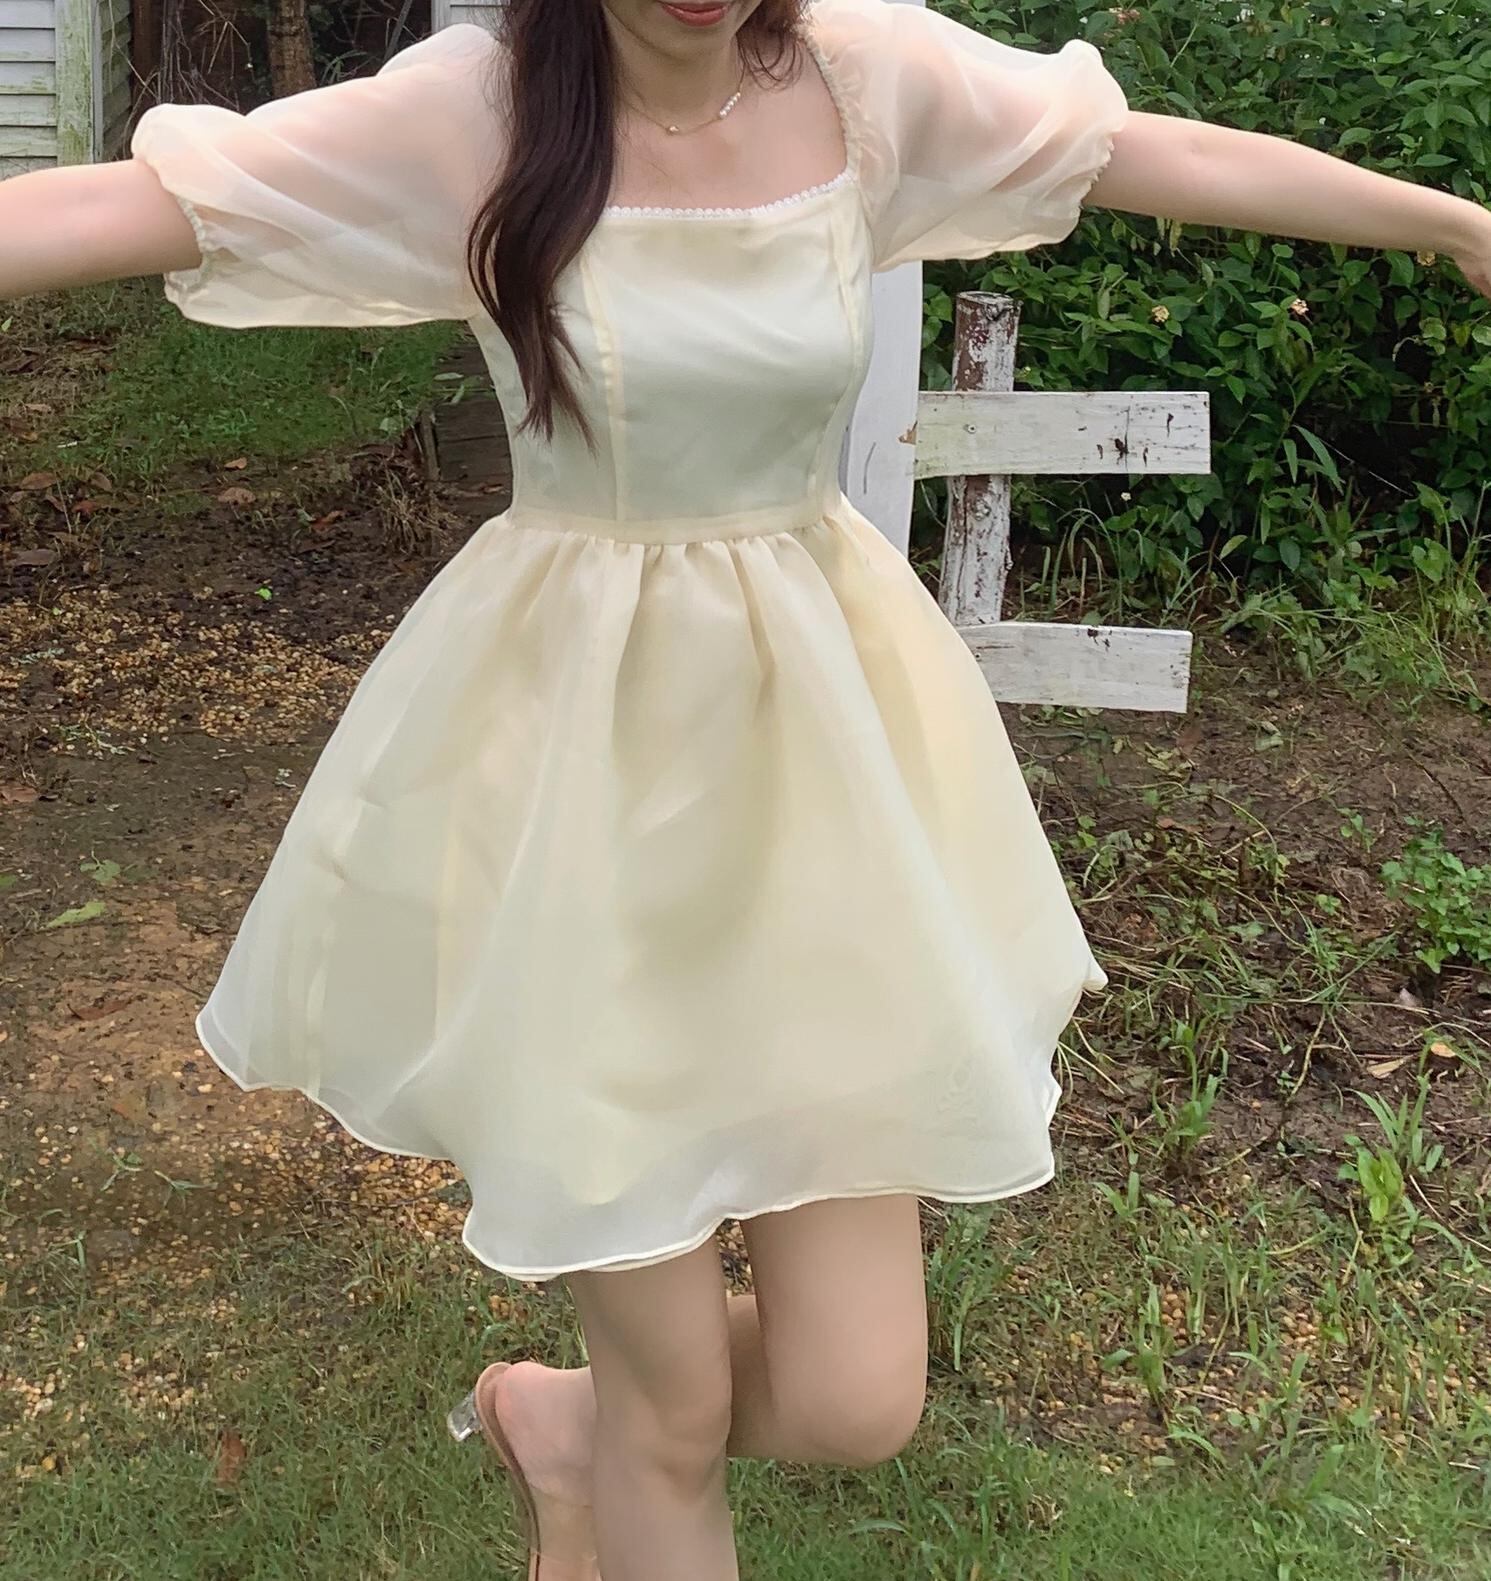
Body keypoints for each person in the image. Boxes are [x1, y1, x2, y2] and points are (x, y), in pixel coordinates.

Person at [4, 0, 1488, 1575]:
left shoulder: (864, 79)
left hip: (811, 788)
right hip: (583, 791)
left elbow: (1138, 149)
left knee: (856, 1396)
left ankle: (567, 1423)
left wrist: (1455, 224)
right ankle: (622, 1439)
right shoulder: (481, 115)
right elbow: (141, 202)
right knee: (677, 1417)